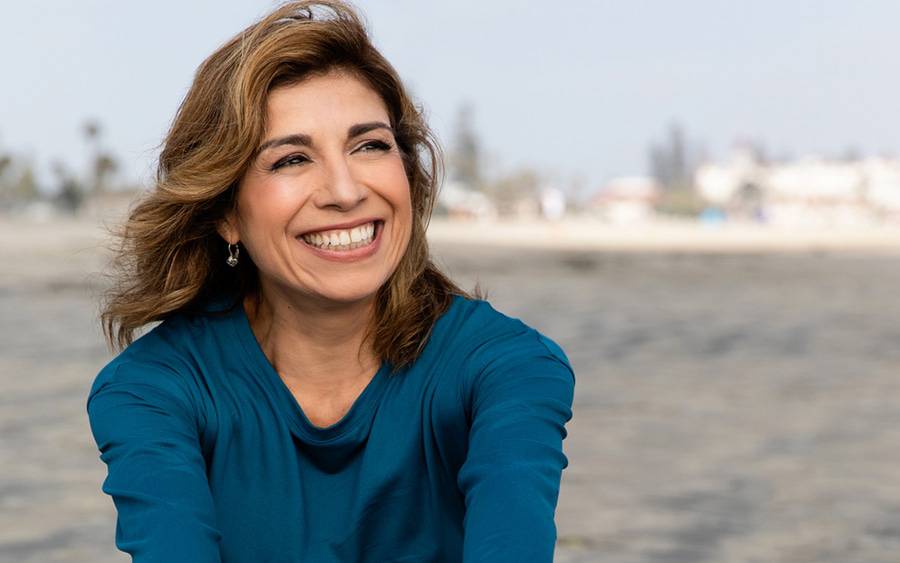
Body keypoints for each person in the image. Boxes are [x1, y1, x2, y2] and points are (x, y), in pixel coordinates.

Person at [85, 1, 575, 561]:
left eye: (369, 146)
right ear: (225, 212)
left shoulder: (508, 368)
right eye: (291, 159)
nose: (345, 191)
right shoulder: (153, 389)